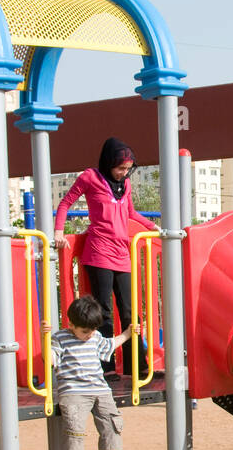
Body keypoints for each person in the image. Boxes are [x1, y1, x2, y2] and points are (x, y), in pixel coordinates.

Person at [54, 138, 159, 375]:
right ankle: (107, 367)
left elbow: (130, 212)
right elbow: (66, 203)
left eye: (127, 169)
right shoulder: (90, 177)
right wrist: (59, 231)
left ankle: (137, 365)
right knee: (104, 311)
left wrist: (151, 225)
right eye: (120, 168)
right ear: (108, 163)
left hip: (122, 252)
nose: (123, 173)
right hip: (99, 251)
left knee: (130, 311)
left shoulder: (126, 184)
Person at [52, 295, 140, 450]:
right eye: (85, 331)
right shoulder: (60, 338)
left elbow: (110, 344)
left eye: (92, 330)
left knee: (112, 424)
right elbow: (50, 359)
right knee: (74, 427)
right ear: (71, 324)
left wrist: (127, 334)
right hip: (73, 390)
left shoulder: (95, 336)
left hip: (100, 389)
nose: (89, 335)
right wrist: (44, 340)